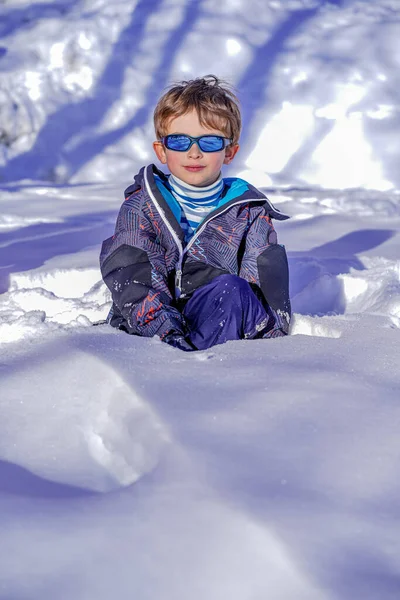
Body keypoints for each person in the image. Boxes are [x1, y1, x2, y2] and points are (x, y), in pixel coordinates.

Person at [100, 75, 291, 351]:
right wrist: (169, 336)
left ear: (230, 152)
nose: (194, 152)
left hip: (221, 317)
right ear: (162, 151)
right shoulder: (142, 206)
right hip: (153, 331)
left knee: (233, 289)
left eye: (210, 142)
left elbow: (264, 294)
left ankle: (201, 368)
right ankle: (184, 363)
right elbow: (133, 277)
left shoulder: (249, 213)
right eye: (179, 141)